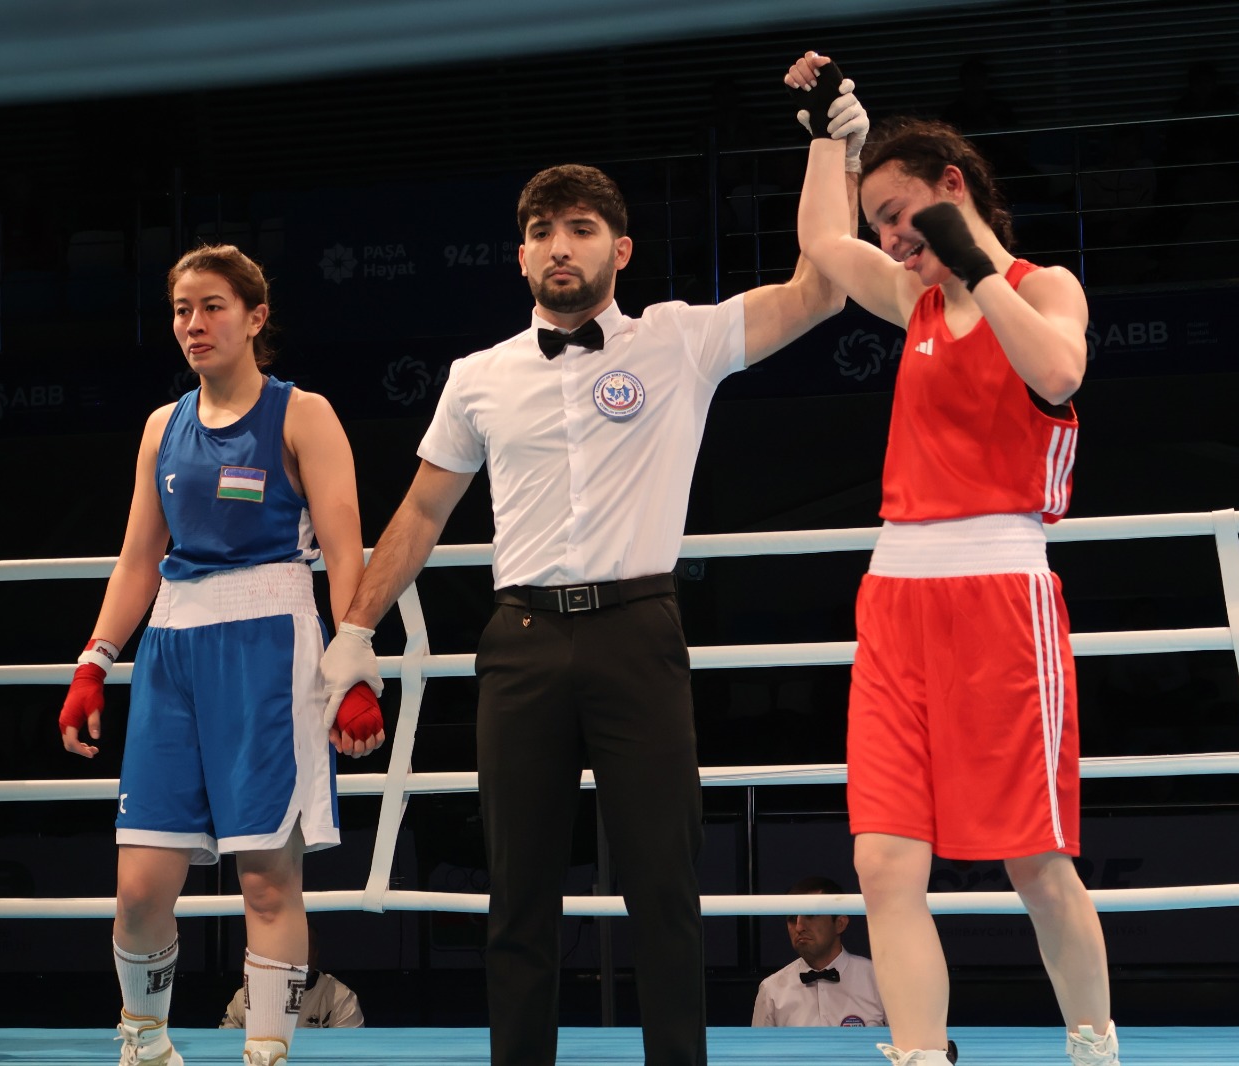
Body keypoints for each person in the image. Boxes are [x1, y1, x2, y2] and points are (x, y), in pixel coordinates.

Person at [317, 162, 845, 1066]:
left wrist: (832, 150)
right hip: (520, 642)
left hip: (638, 631)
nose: (560, 247)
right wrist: (356, 632)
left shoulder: (679, 340)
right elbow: (421, 512)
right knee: (518, 893)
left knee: (664, 886)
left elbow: (820, 291)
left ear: (621, 249)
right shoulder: (478, 376)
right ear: (521, 257)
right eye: (542, 233)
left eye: (581, 229)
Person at [785, 52, 1118, 1066]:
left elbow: (1058, 372)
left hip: (1001, 599)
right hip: (896, 599)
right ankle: (921, 1055)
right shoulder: (911, 301)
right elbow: (819, 243)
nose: (891, 238)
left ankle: (1093, 1046)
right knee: (884, 863)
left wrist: (976, 266)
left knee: (1035, 862)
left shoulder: (1041, 286)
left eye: (900, 215)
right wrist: (829, 141)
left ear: (953, 188)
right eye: (882, 223)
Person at [57, 244, 369, 1066]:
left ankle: (266, 1053)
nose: (193, 324)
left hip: (271, 646)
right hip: (172, 653)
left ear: (256, 317)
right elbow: (138, 559)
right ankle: (144, 1044)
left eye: (212, 307)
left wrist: (354, 664)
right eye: (181, 310)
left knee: (266, 878)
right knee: (139, 889)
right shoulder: (163, 427)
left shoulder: (304, 414)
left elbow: (346, 552)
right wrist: (94, 661)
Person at [751, 877, 890, 1030]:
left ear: (840, 923)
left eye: (810, 915)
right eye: (792, 918)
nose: (799, 927)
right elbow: (759, 1046)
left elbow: (905, 1043)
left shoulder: (880, 981)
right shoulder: (771, 990)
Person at [219, 928, 364, 1030]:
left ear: (315, 954)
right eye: (288, 947)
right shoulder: (246, 996)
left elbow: (350, 1055)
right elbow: (224, 1048)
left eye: (303, 947)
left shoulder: (340, 998)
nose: (294, 955)